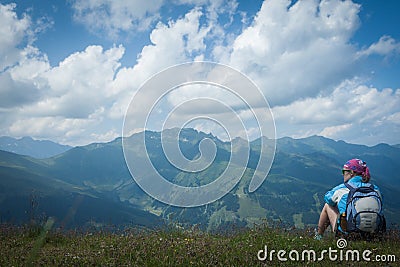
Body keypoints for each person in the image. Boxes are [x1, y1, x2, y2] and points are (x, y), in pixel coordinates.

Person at [314, 158, 383, 240]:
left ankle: (318, 237)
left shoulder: (343, 189)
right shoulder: (375, 189)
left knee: (327, 206)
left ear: (351, 173)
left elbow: (328, 199)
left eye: (344, 171)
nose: (343, 174)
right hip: (373, 235)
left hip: (347, 235)